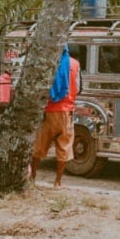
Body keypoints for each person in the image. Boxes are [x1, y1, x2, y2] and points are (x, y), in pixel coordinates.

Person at [31, 44, 80, 188]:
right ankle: (58, 181)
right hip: (66, 110)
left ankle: (32, 176)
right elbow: (78, 87)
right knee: (64, 146)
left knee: (39, 146)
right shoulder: (75, 64)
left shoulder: (50, 61)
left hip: (48, 109)